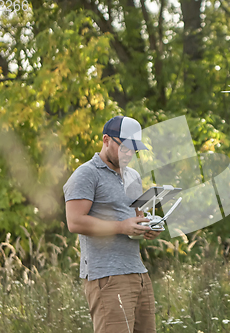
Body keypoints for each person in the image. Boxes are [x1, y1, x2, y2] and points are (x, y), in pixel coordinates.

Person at [63, 115, 161, 333]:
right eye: (125, 147)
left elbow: (135, 216)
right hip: (107, 276)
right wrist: (121, 227)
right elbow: (74, 221)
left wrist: (148, 227)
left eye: (134, 149)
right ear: (106, 140)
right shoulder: (86, 174)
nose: (129, 154)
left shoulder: (133, 176)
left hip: (138, 272)